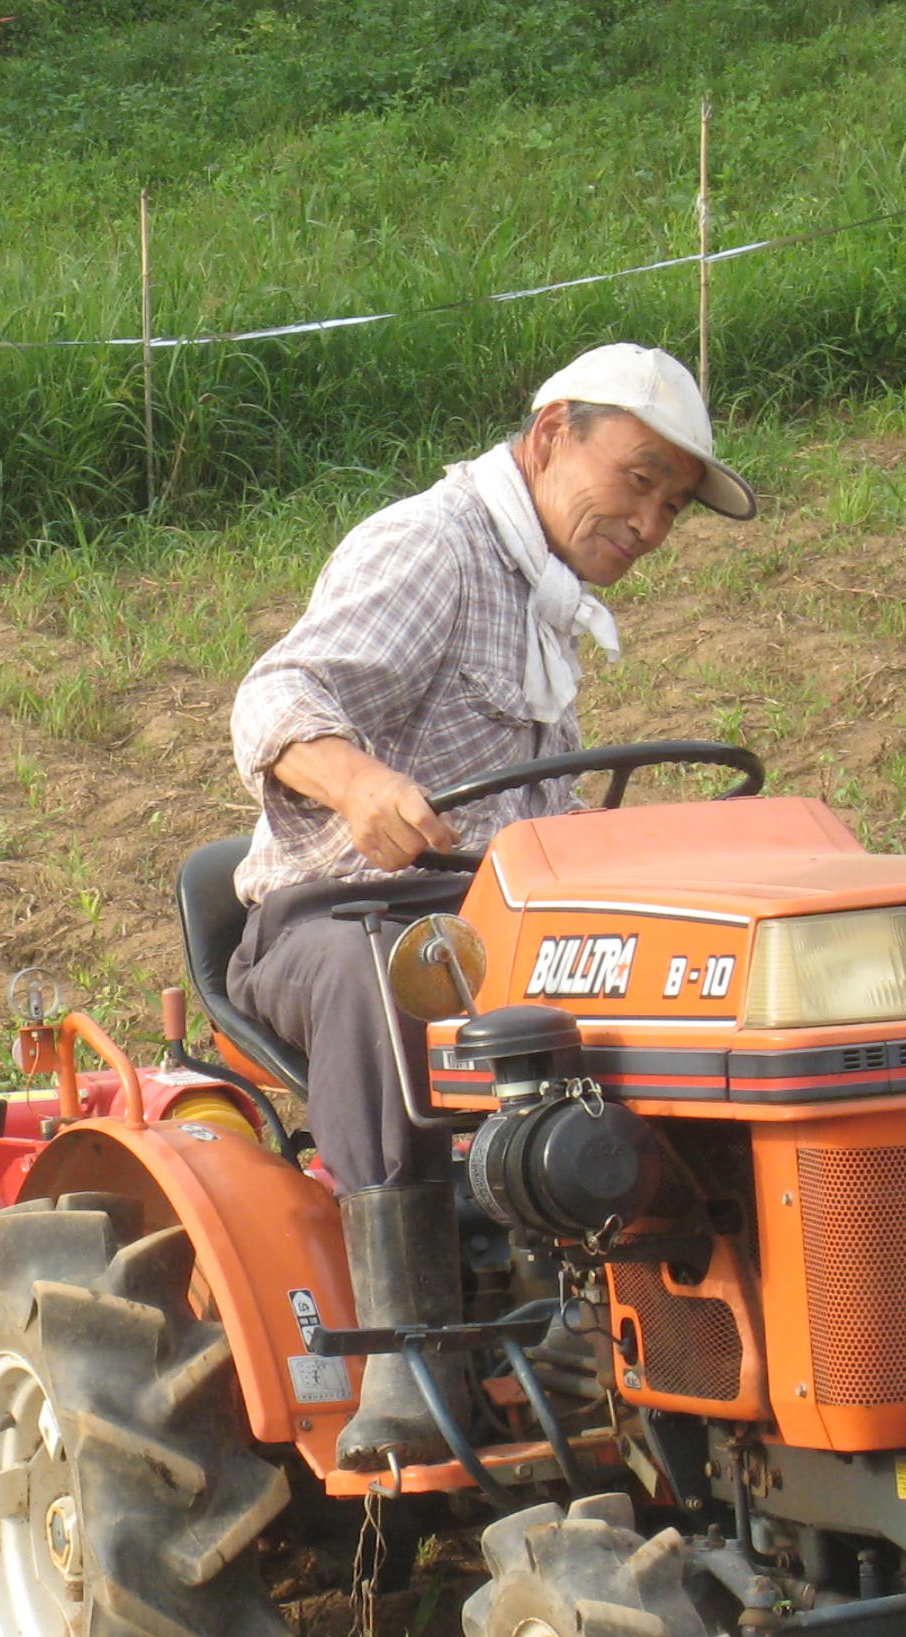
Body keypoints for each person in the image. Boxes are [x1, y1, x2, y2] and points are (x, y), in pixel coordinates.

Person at [227, 342, 756, 1468]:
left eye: (673, 504)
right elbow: (277, 694)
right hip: (341, 914)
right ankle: (409, 1356)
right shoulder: (440, 544)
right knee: (407, 964)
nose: (653, 522)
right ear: (555, 429)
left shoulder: (542, 594)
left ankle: (603, 1310)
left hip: (492, 918)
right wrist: (362, 784)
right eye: (641, 477)